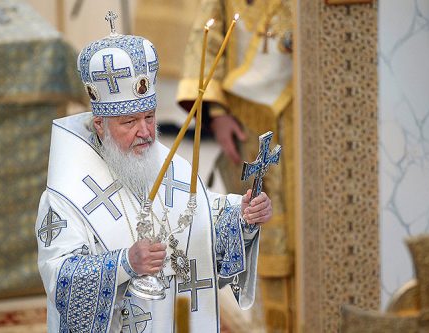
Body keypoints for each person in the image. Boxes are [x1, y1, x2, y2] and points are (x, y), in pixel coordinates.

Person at [35, 15, 272, 332]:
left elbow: (200, 219)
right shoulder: (66, 194)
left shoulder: (169, 165)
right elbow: (60, 276)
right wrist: (124, 264)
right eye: (129, 122)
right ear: (100, 125)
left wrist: (241, 216)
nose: (146, 132)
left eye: (149, 116)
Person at [176, 0, 295, 331]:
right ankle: (268, 325)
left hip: (307, 113)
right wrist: (217, 113)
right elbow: (209, 35)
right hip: (249, 118)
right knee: (260, 225)